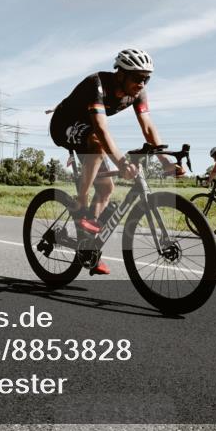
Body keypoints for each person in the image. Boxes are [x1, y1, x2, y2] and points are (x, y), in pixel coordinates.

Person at [49, 48, 185, 275]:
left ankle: (88, 249)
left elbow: (148, 127)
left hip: (89, 130)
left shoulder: (138, 92)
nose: (142, 83)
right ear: (120, 74)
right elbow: (101, 130)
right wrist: (122, 163)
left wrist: (164, 161)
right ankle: (80, 202)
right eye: (137, 77)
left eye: (147, 78)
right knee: (97, 142)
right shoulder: (97, 84)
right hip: (64, 124)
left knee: (105, 189)